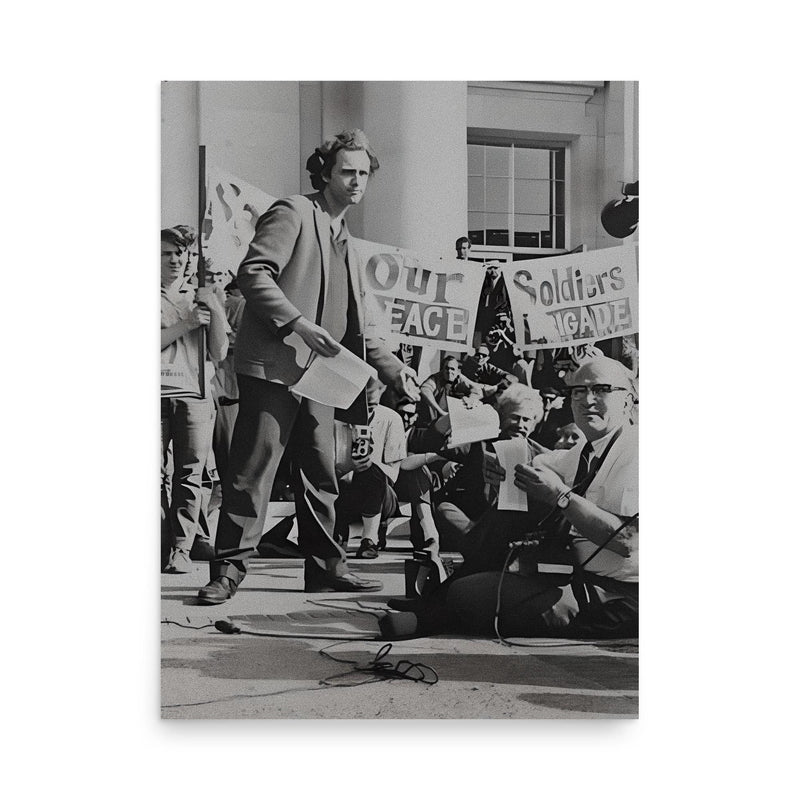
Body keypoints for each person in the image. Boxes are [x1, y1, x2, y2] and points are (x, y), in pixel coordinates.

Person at [197, 129, 420, 605]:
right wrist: (298, 323)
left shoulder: (346, 239)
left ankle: (326, 568)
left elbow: (358, 325)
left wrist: (394, 369)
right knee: (251, 472)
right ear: (325, 172)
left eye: (364, 173)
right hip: (276, 368)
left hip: (321, 378)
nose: (357, 181)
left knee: (321, 475)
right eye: (347, 171)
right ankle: (228, 570)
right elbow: (254, 273)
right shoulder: (294, 210)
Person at [385, 355, 638, 640]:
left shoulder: (636, 449)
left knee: (469, 595)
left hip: (618, 596)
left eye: (601, 389)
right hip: (573, 573)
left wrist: (561, 496)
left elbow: (627, 540)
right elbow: (544, 462)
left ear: (627, 401)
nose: (586, 399)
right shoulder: (588, 450)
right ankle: (435, 606)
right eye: (578, 391)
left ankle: (436, 612)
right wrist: (505, 469)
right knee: (511, 505)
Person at [161, 227, 229, 573]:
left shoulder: (198, 296)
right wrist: (186, 324)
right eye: (166, 254)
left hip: (194, 394)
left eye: (180, 253)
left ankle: (181, 547)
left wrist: (214, 306)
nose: (174, 260)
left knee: (190, 474)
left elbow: (219, 351)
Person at [433, 383, 544, 553]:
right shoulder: (479, 443)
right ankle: (485, 549)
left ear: (534, 423)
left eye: (527, 419)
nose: (520, 425)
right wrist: (454, 416)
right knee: (444, 509)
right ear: (501, 416)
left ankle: (484, 550)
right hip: (476, 522)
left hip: (516, 527)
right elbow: (433, 444)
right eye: (514, 417)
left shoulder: (541, 456)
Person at [333, 380, 407, 559]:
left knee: (370, 472)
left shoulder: (391, 418)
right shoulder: (336, 418)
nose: (368, 407)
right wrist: (349, 467)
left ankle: (369, 539)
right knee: (335, 481)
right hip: (343, 489)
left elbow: (393, 473)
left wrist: (368, 465)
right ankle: (336, 536)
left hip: (380, 493)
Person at [417, 356, 482, 427]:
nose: (449, 372)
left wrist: (470, 399)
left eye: (452, 369)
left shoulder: (459, 377)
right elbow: (425, 389)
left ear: (457, 371)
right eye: (447, 368)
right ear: (442, 369)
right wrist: (441, 412)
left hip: (456, 418)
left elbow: (477, 389)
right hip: (436, 420)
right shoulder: (436, 378)